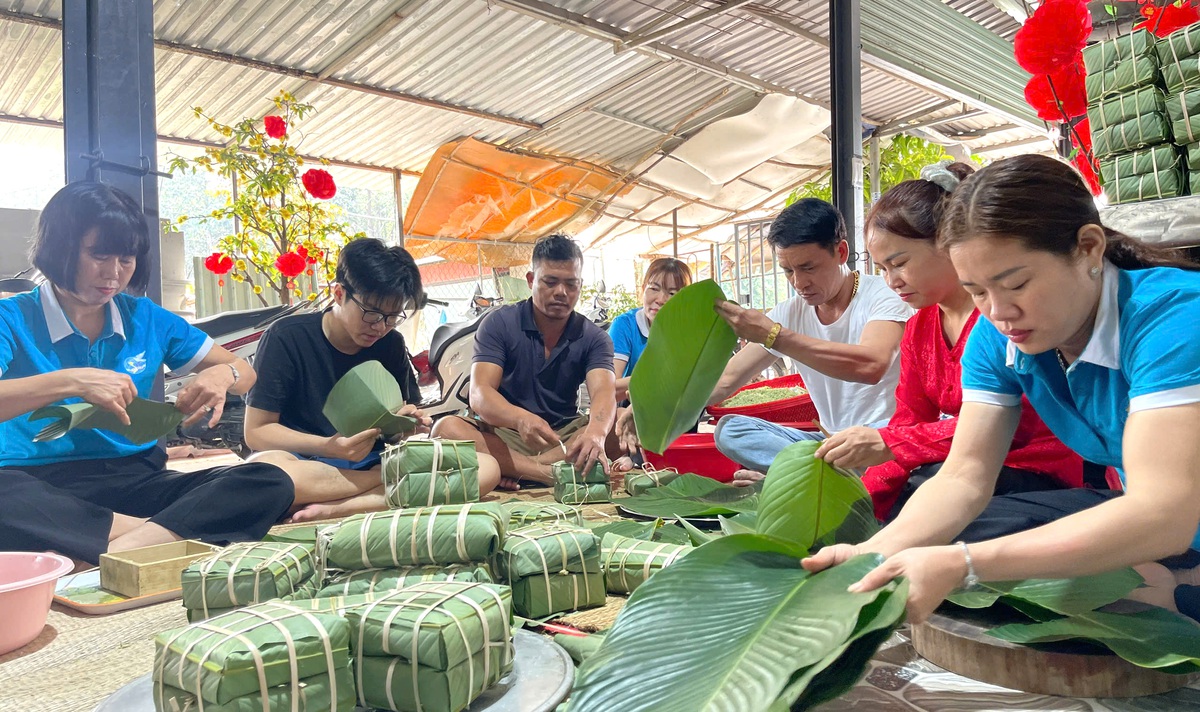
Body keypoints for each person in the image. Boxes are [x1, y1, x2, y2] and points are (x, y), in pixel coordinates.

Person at [804, 154, 1200, 623]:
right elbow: (964, 475)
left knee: (991, 562)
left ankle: (1175, 589)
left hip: (1171, 519)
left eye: (1016, 283)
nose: (998, 311)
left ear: (1089, 248)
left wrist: (965, 566)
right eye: (975, 291)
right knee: (941, 527)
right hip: (1159, 520)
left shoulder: (1172, 321)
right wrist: (874, 555)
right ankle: (1161, 580)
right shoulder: (998, 336)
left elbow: (1163, 512)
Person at [0, 182, 295, 565]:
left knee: (267, 480)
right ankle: (162, 534)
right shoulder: (11, 317)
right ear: (58, 248)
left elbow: (243, 370)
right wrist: (73, 380)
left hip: (135, 478)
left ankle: (118, 547)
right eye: (99, 255)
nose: (114, 274)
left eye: (127, 260)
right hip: (35, 481)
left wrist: (222, 376)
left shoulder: (147, 318)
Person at [817, 161, 1084, 522]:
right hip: (958, 468)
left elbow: (1012, 426)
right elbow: (906, 425)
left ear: (948, 244)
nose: (891, 280)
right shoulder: (918, 329)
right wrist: (863, 509)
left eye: (899, 263)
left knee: (927, 492)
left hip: (1037, 476)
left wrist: (893, 447)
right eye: (881, 268)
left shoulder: (1004, 321)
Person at [244, 238, 502, 520]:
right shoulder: (286, 336)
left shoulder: (390, 343)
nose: (380, 327)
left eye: (392, 316)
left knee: (486, 467)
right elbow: (257, 432)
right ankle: (380, 490)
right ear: (339, 293)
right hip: (308, 462)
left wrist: (406, 424)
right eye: (371, 313)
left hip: (373, 461)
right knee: (267, 472)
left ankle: (340, 507)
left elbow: (396, 429)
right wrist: (329, 447)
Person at [708, 198, 913, 479]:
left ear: (841, 252)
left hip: (880, 440)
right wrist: (658, 410)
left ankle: (799, 477)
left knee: (880, 444)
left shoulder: (882, 295)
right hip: (828, 444)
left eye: (808, 268)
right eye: (788, 271)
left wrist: (774, 336)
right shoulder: (790, 313)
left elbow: (871, 365)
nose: (798, 283)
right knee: (730, 430)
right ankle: (820, 476)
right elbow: (726, 380)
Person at [431, 234, 617, 490]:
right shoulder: (498, 323)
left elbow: (604, 391)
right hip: (507, 435)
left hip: (561, 436)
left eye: (571, 284)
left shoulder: (594, 337)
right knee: (446, 429)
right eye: (550, 282)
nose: (561, 292)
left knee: (618, 424)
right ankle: (546, 473)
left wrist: (596, 432)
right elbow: (480, 393)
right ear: (531, 280)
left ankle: (516, 469)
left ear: (580, 285)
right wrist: (519, 418)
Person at [609, 258, 693, 403]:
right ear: (643, 289)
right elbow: (609, 390)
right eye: (654, 289)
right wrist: (655, 377)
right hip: (632, 406)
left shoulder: (689, 330)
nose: (661, 299)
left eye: (672, 293)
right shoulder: (625, 326)